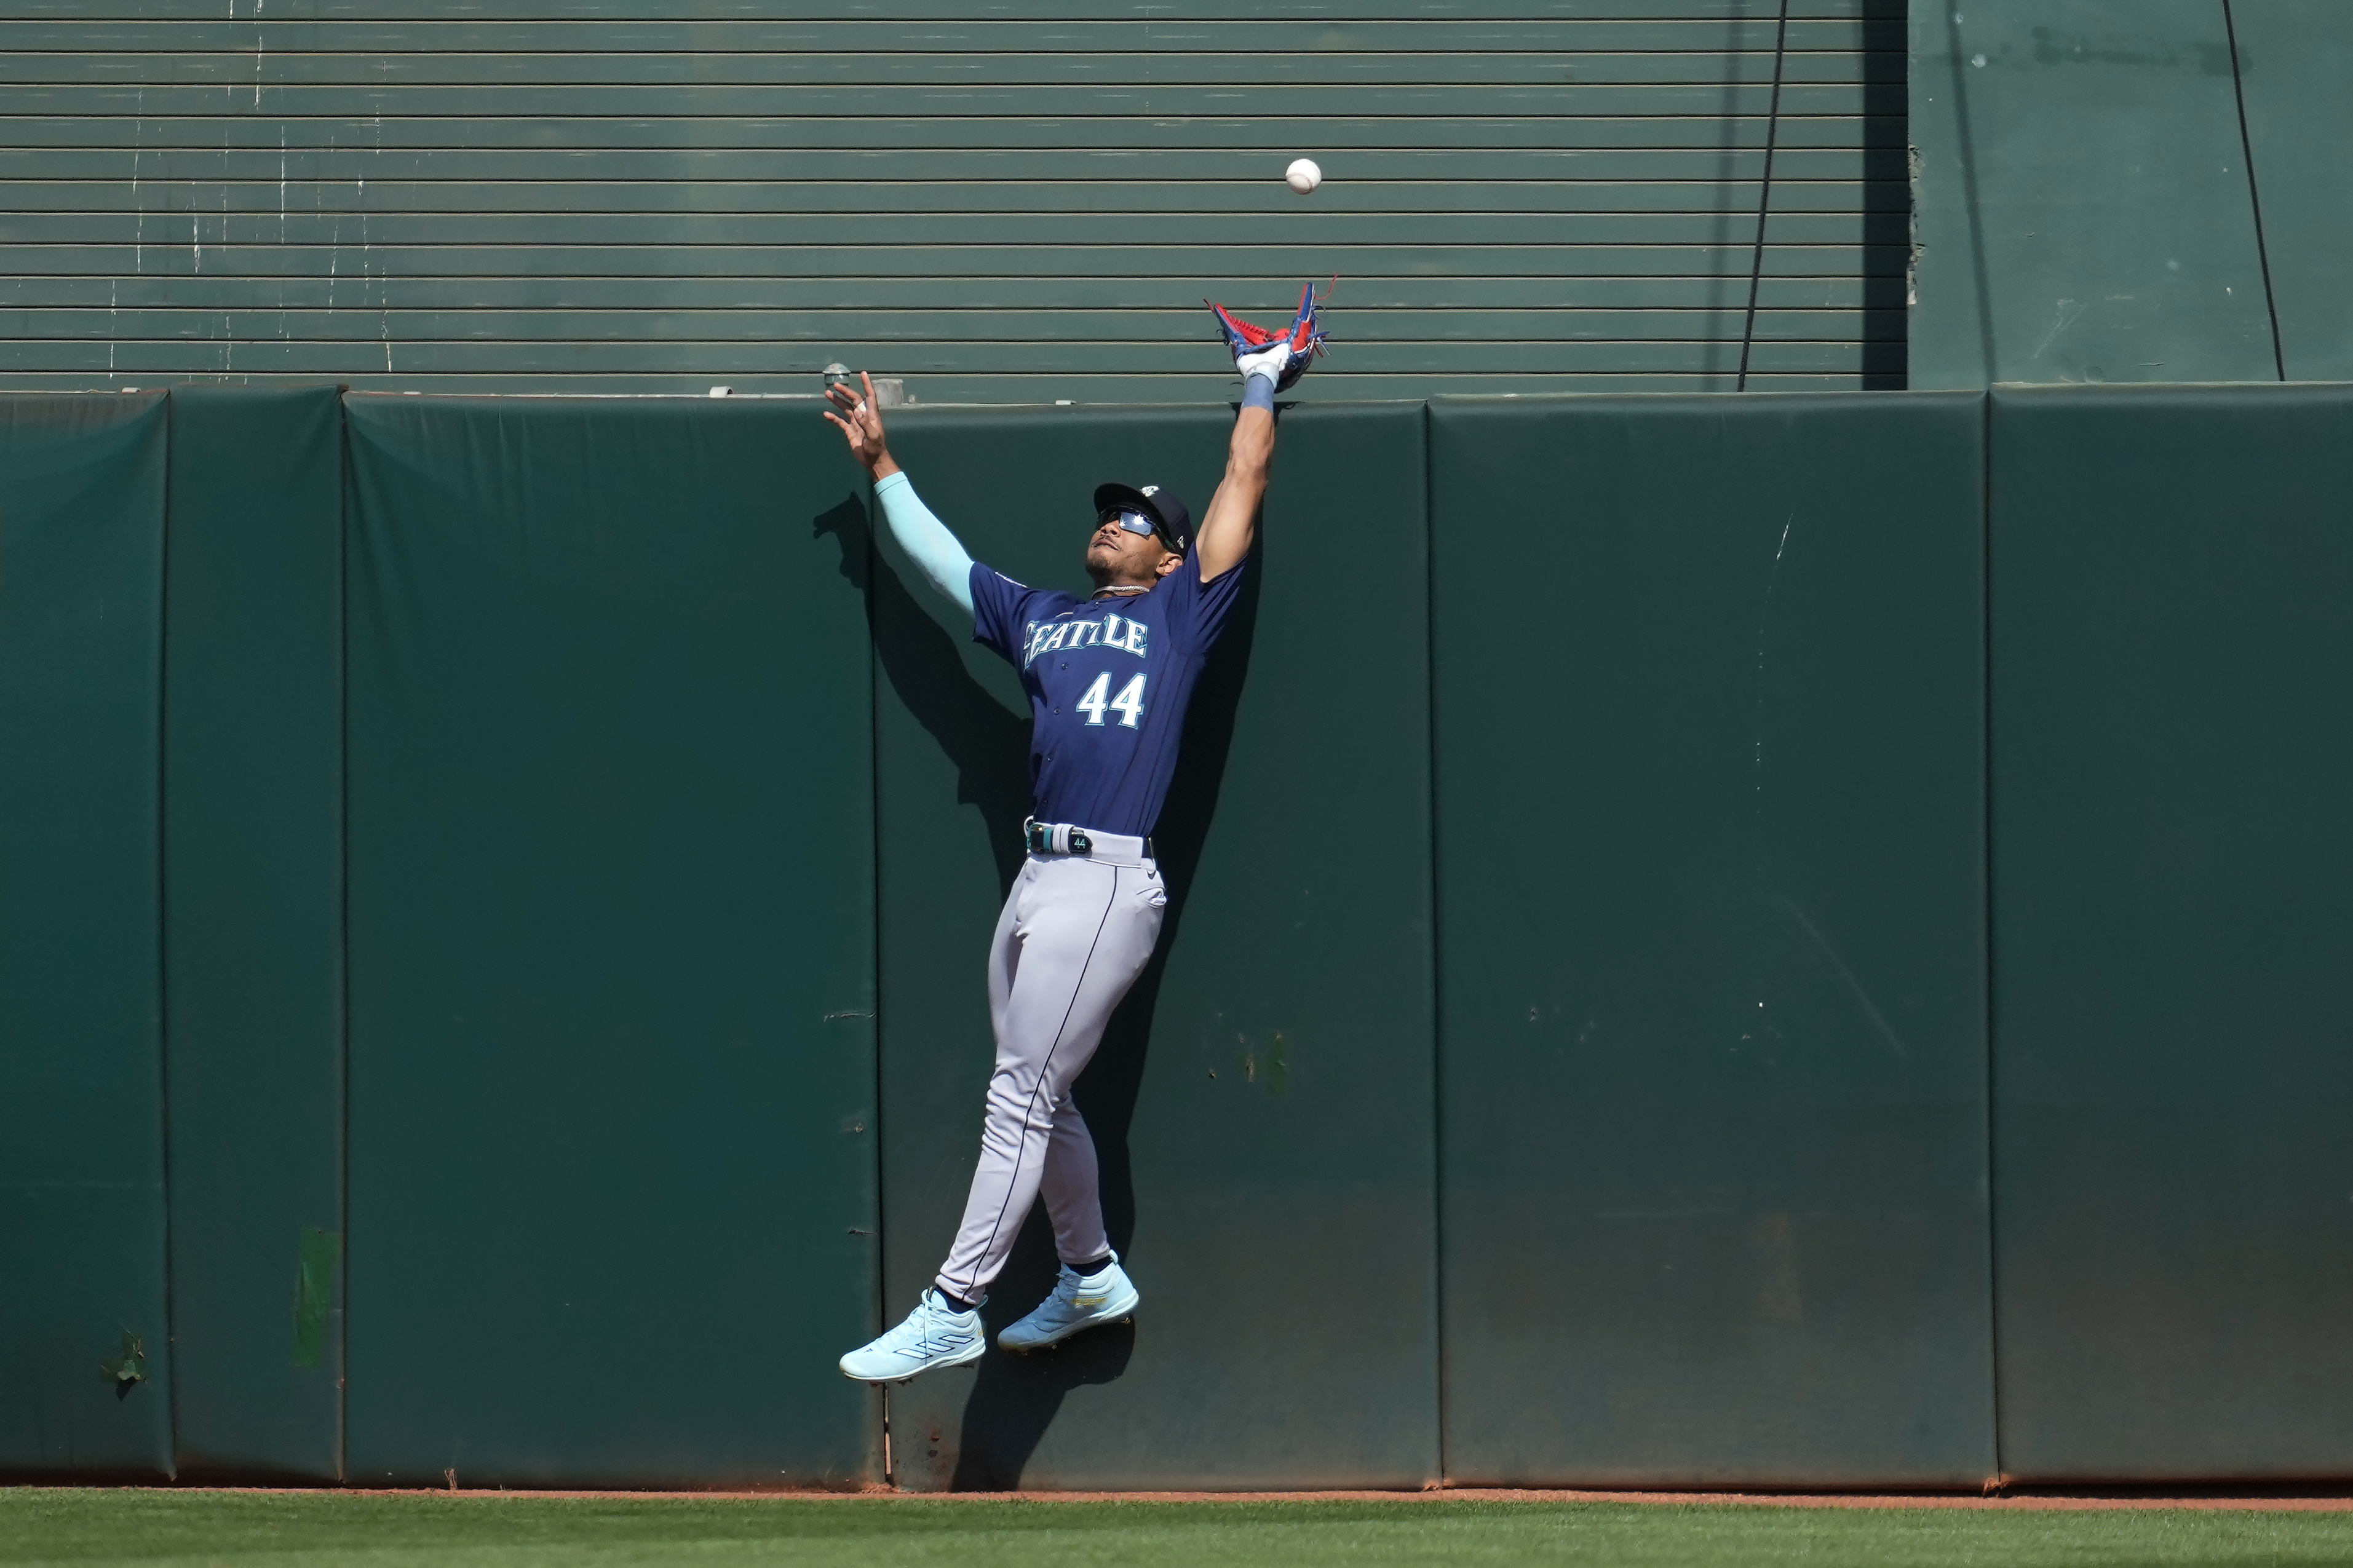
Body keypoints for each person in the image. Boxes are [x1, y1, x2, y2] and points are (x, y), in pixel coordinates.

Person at [828, 291, 1323, 1383]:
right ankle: (1090, 1269)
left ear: (1169, 553)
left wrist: (1260, 377)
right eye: (1109, 513)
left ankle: (955, 1300)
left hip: (1105, 880)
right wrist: (881, 469)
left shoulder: (1182, 611)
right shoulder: (1043, 614)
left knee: (1020, 1092)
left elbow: (1244, 480)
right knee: (1031, 1086)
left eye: (1138, 518)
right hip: (1034, 878)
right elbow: (943, 564)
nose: (1114, 523)